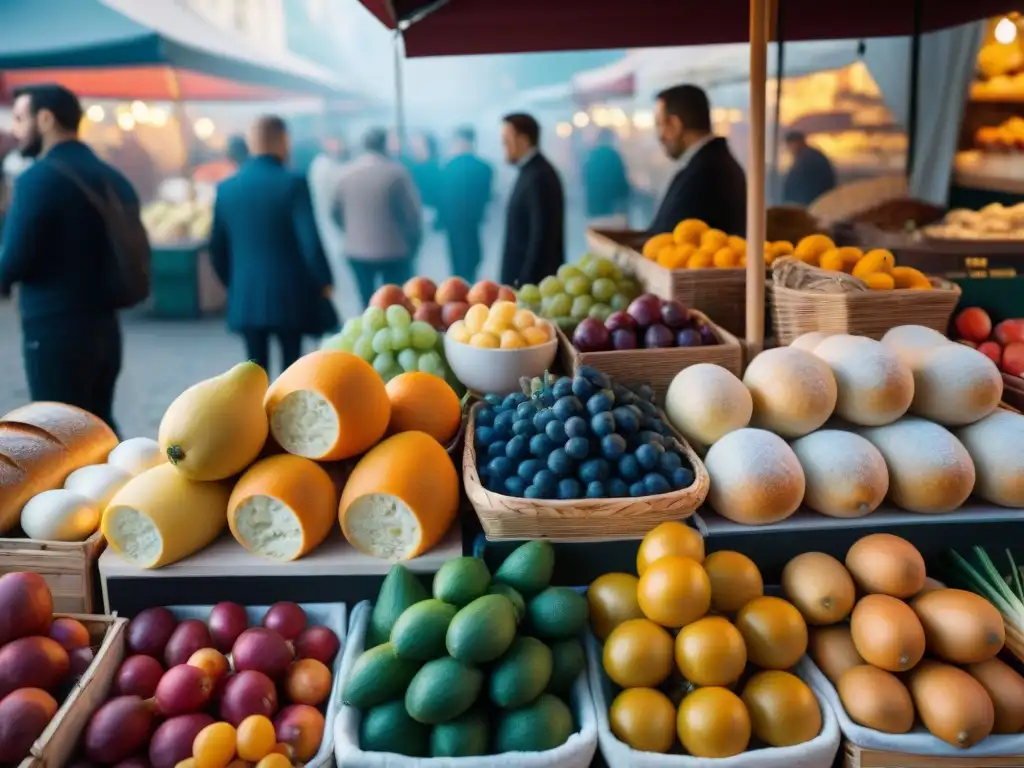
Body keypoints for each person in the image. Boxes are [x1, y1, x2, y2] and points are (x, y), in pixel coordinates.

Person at [0, 84, 140, 433]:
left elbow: (15, 259)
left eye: (20, 118)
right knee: (100, 424)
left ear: (45, 118)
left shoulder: (37, 179)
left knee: (59, 434)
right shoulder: (113, 176)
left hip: (54, 329)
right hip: (105, 327)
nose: (16, 130)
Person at [209, 115, 335, 376]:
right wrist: (324, 281)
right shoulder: (293, 183)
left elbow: (216, 248)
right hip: (290, 294)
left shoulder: (227, 187)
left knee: (253, 374)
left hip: (246, 295)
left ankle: (257, 417)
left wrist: (234, 283)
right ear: (283, 140)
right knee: (291, 372)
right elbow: (309, 242)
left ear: (252, 143)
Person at [331, 127, 422, 307]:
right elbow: (412, 216)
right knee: (396, 304)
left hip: (356, 250)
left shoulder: (345, 173)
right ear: (384, 144)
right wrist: (414, 244)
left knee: (367, 301)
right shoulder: (397, 173)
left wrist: (350, 232)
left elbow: (334, 212)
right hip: (394, 250)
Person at [648, 84, 747, 236]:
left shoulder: (706, 172)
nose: (660, 136)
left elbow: (667, 238)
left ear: (675, 124)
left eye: (660, 124)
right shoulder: (713, 162)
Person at [500, 113, 565, 288]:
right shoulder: (531, 171)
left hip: (533, 285)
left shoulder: (539, 176)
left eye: (507, 139)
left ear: (523, 139)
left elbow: (542, 238)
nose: (503, 145)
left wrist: (524, 282)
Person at [437, 127, 493, 282]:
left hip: (457, 221)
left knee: (460, 259)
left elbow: (442, 195)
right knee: (470, 257)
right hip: (468, 220)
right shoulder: (484, 167)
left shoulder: (449, 167)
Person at [583, 128, 630, 227]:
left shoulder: (591, 157)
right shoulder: (613, 156)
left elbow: (585, 181)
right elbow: (621, 183)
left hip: (595, 210)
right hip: (613, 211)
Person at [783, 131, 837, 206]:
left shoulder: (808, 157)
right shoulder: (809, 155)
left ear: (797, 142)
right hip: (816, 201)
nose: (789, 149)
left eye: (790, 145)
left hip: (812, 203)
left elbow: (798, 182)